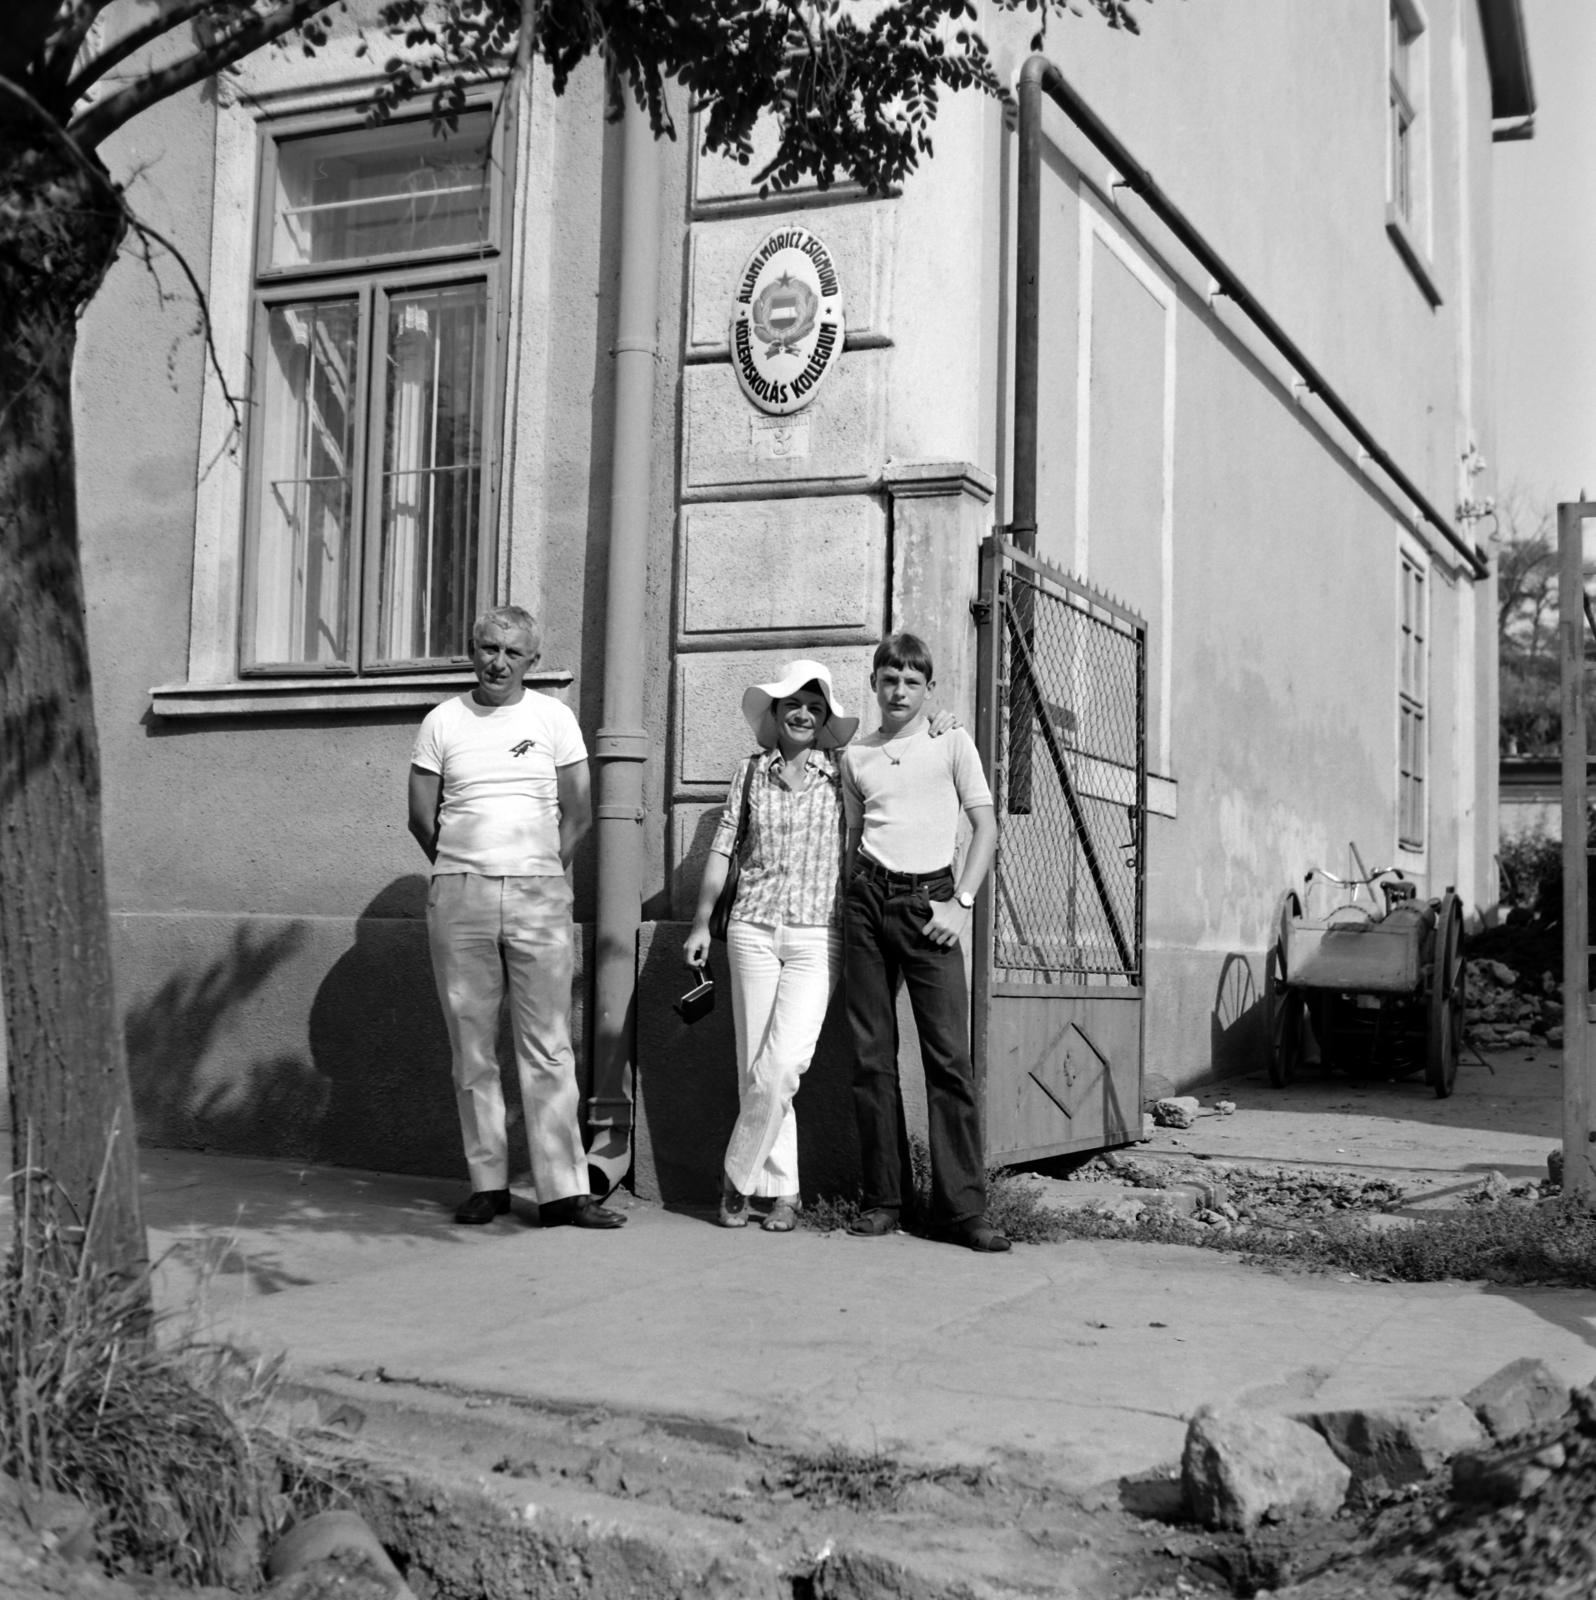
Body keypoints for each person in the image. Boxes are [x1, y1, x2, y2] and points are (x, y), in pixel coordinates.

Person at [408, 605, 625, 1230]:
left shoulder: (553, 717)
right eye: (487, 648)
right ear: (471, 651)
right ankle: (488, 1183)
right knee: (471, 1045)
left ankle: (562, 1192)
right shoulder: (442, 721)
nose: (497, 662)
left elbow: (578, 812)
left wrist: (535, 868)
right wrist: (466, 865)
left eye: (511, 652)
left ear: (532, 660)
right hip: (461, 896)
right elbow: (422, 815)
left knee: (547, 1045)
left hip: (538, 896)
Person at [841, 631, 1008, 1252]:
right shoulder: (855, 756)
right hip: (865, 902)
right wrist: (848, 903)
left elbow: (985, 827)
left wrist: (961, 903)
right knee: (870, 1058)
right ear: (876, 683)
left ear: (929, 688)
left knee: (948, 1061)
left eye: (913, 682)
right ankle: (885, 1199)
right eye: (890, 680)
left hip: (930, 901)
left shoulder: (951, 741)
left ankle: (962, 1209)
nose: (900, 691)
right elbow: (853, 837)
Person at [683, 661, 859, 1232]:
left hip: (817, 934)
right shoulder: (750, 773)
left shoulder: (844, 775)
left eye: (814, 705)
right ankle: (782, 1193)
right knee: (753, 1066)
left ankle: (735, 1175)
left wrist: (939, 726)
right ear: (776, 715)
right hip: (752, 929)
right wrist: (701, 922)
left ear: (825, 716)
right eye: (792, 705)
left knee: (782, 1066)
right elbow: (724, 848)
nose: (803, 713)